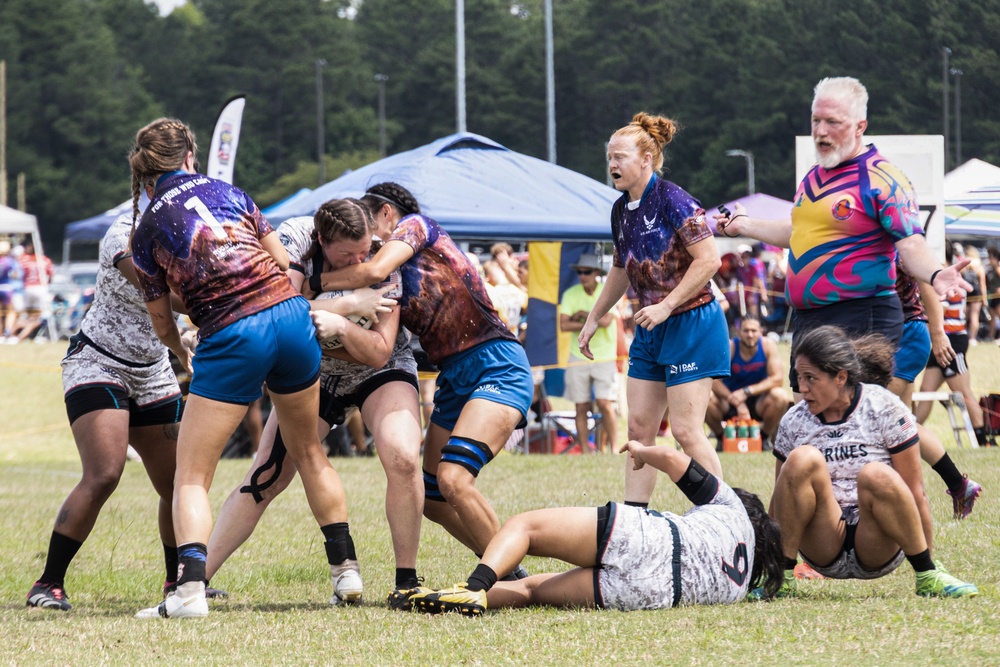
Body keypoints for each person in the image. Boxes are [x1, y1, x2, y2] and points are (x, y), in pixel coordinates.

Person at [128, 118, 357, 619]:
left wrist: (182, 347)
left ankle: (188, 594)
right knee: (309, 451)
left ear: (145, 172)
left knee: (191, 476)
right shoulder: (229, 190)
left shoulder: (144, 229)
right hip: (290, 318)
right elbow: (279, 261)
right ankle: (346, 572)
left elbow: (162, 320)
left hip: (234, 332)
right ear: (190, 156)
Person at [205, 198, 426, 606]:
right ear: (323, 240)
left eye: (365, 251)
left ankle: (407, 582)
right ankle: (197, 579)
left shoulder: (382, 255)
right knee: (265, 476)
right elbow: (276, 310)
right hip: (314, 370)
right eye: (347, 255)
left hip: (380, 368)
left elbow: (378, 351)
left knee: (403, 456)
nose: (360, 262)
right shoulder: (294, 238)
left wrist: (335, 321)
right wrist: (344, 304)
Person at [310, 182, 534, 578]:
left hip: (496, 362)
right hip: (454, 375)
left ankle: (503, 576)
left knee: (453, 478)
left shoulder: (416, 226)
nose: (365, 245)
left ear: (386, 213)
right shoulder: (384, 274)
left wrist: (313, 285)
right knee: (432, 495)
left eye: (368, 224)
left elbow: (375, 269)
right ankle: (513, 573)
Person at [716, 77, 971, 392]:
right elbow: (799, 232)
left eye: (832, 122)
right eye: (815, 121)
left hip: (863, 315)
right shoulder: (813, 178)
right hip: (809, 319)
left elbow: (911, 242)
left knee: (858, 424)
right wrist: (745, 225)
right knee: (806, 420)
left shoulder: (882, 178)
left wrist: (935, 273)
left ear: (860, 126)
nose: (820, 131)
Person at [400, 441, 784, 615]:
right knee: (532, 590)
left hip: (650, 540)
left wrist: (641, 450)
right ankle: (431, 598)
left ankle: (473, 589)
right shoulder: (738, 584)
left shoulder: (732, 506)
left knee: (524, 527)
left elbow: (671, 458)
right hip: (650, 594)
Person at [25, 212, 188, 611]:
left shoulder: (188, 231)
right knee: (104, 474)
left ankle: (178, 583)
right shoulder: (123, 232)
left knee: (177, 482)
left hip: (153, 369)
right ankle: (48, 583)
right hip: (98, 363)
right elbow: (164, 293)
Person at [578, 111, 727, 508]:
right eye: (609, 156)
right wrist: (594, 317)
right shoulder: (619, 210)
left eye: (621, 156)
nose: (612, 164)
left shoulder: (674, 199)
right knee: (640, 427)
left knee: (686, 431)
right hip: (650, 326)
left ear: (647, 159)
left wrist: (666, 305)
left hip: (690, 322)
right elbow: (621, 269)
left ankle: (724, 519)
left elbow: (709, 261)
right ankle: (634, 520)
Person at [764, 326, 977, 598]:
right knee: (803, 458)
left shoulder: (884, 407)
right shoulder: (795, 420)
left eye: (810, 378)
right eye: (798, 377)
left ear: (840, 377)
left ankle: (927, 577)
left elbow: (915, 492)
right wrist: (766, 567)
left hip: (878, 541)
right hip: (823, 541)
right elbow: (781, 499)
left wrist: (931, 566)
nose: (802, 388)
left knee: (875, 473)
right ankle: (781, 580)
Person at [890, 265, 982, 518]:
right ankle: (954, 486)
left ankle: (985, 438)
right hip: (893, 336)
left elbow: (926, 280)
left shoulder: (899, 239)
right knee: (904, 422)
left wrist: (939, 333)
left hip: (911, 334)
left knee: (963, 394)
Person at [914, 248, 991, 450]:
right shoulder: (947, 277)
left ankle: (984, 440)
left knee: (964, 392)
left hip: (952, 342)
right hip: (942, 342)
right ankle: (908, 436)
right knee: (926, 392)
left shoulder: (946, 280)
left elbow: (942, 308)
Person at [559, 253, 619, 454]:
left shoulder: (607, 290)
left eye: (586, 272)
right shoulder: (570, 294)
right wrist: (590, 321)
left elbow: (605, 321)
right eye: (579, 272)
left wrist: (584, 315)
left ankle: (614, 447)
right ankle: (585, 450)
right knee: (581, 406)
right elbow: (564, 325)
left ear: (596, 274)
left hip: (605, 356)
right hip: (578, 356)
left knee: (605, 404)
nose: (582, 276)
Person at [705, 316, 788, 446]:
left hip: (758, 402)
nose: (750, 335)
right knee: (705, 397)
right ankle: (722, 439)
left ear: (761, 331)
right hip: (728, 402)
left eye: (754, 331)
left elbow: (777, 379)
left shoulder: (767, 346)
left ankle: (764, 439)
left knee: (781, 396)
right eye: (746, 330)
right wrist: (737, 402)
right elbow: (714, 381)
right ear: (739, 332)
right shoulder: (731, 347)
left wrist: (747, 391)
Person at [961, 244, 987, 343]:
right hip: (976, 293)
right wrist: (984, 299)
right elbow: (982, 285)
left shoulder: (964, 264)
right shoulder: (979, 266)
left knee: (963, 315)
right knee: (974, 316)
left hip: (966, 292)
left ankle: (962, 333)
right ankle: (972, 338)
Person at [735, 244, 767, 319]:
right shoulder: (739, 268)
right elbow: (738, 281)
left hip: (753, 294)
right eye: (743, 256)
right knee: (743, 315)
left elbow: (757, 280)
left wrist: (755, 295)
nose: (745, 258)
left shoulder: (754, 266)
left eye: (747, 256)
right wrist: (737, 296)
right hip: (743, 294)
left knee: (754, 314)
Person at [986, 247, 1000, 343]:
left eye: (991, 258)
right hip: (993, 297)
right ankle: (991, 336)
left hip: (998, 297)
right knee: (992, 317)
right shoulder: (991, 270)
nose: (990, 260)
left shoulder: (998, 269)